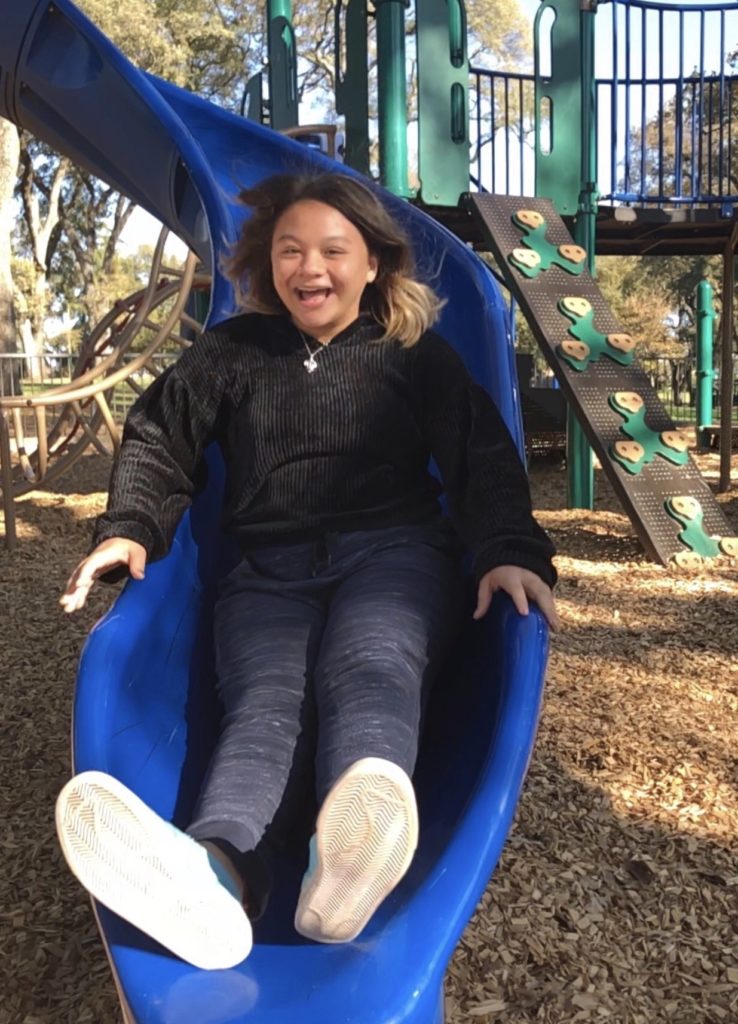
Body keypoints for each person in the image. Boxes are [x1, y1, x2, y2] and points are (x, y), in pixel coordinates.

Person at [56, 172, 559, 971]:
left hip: (394, 554)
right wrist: (130, 528)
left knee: (370, 659)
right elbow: (160, 436)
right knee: (263, 705)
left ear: (373, 264)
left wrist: (508, 548)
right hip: (268, 571)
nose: (310, 268)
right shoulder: (233, 353)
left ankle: (348, 851)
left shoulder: (412, 355)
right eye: (290, 250)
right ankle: (218, 874)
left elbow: (480, 453)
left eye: (333, 250)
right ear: (269, 263)